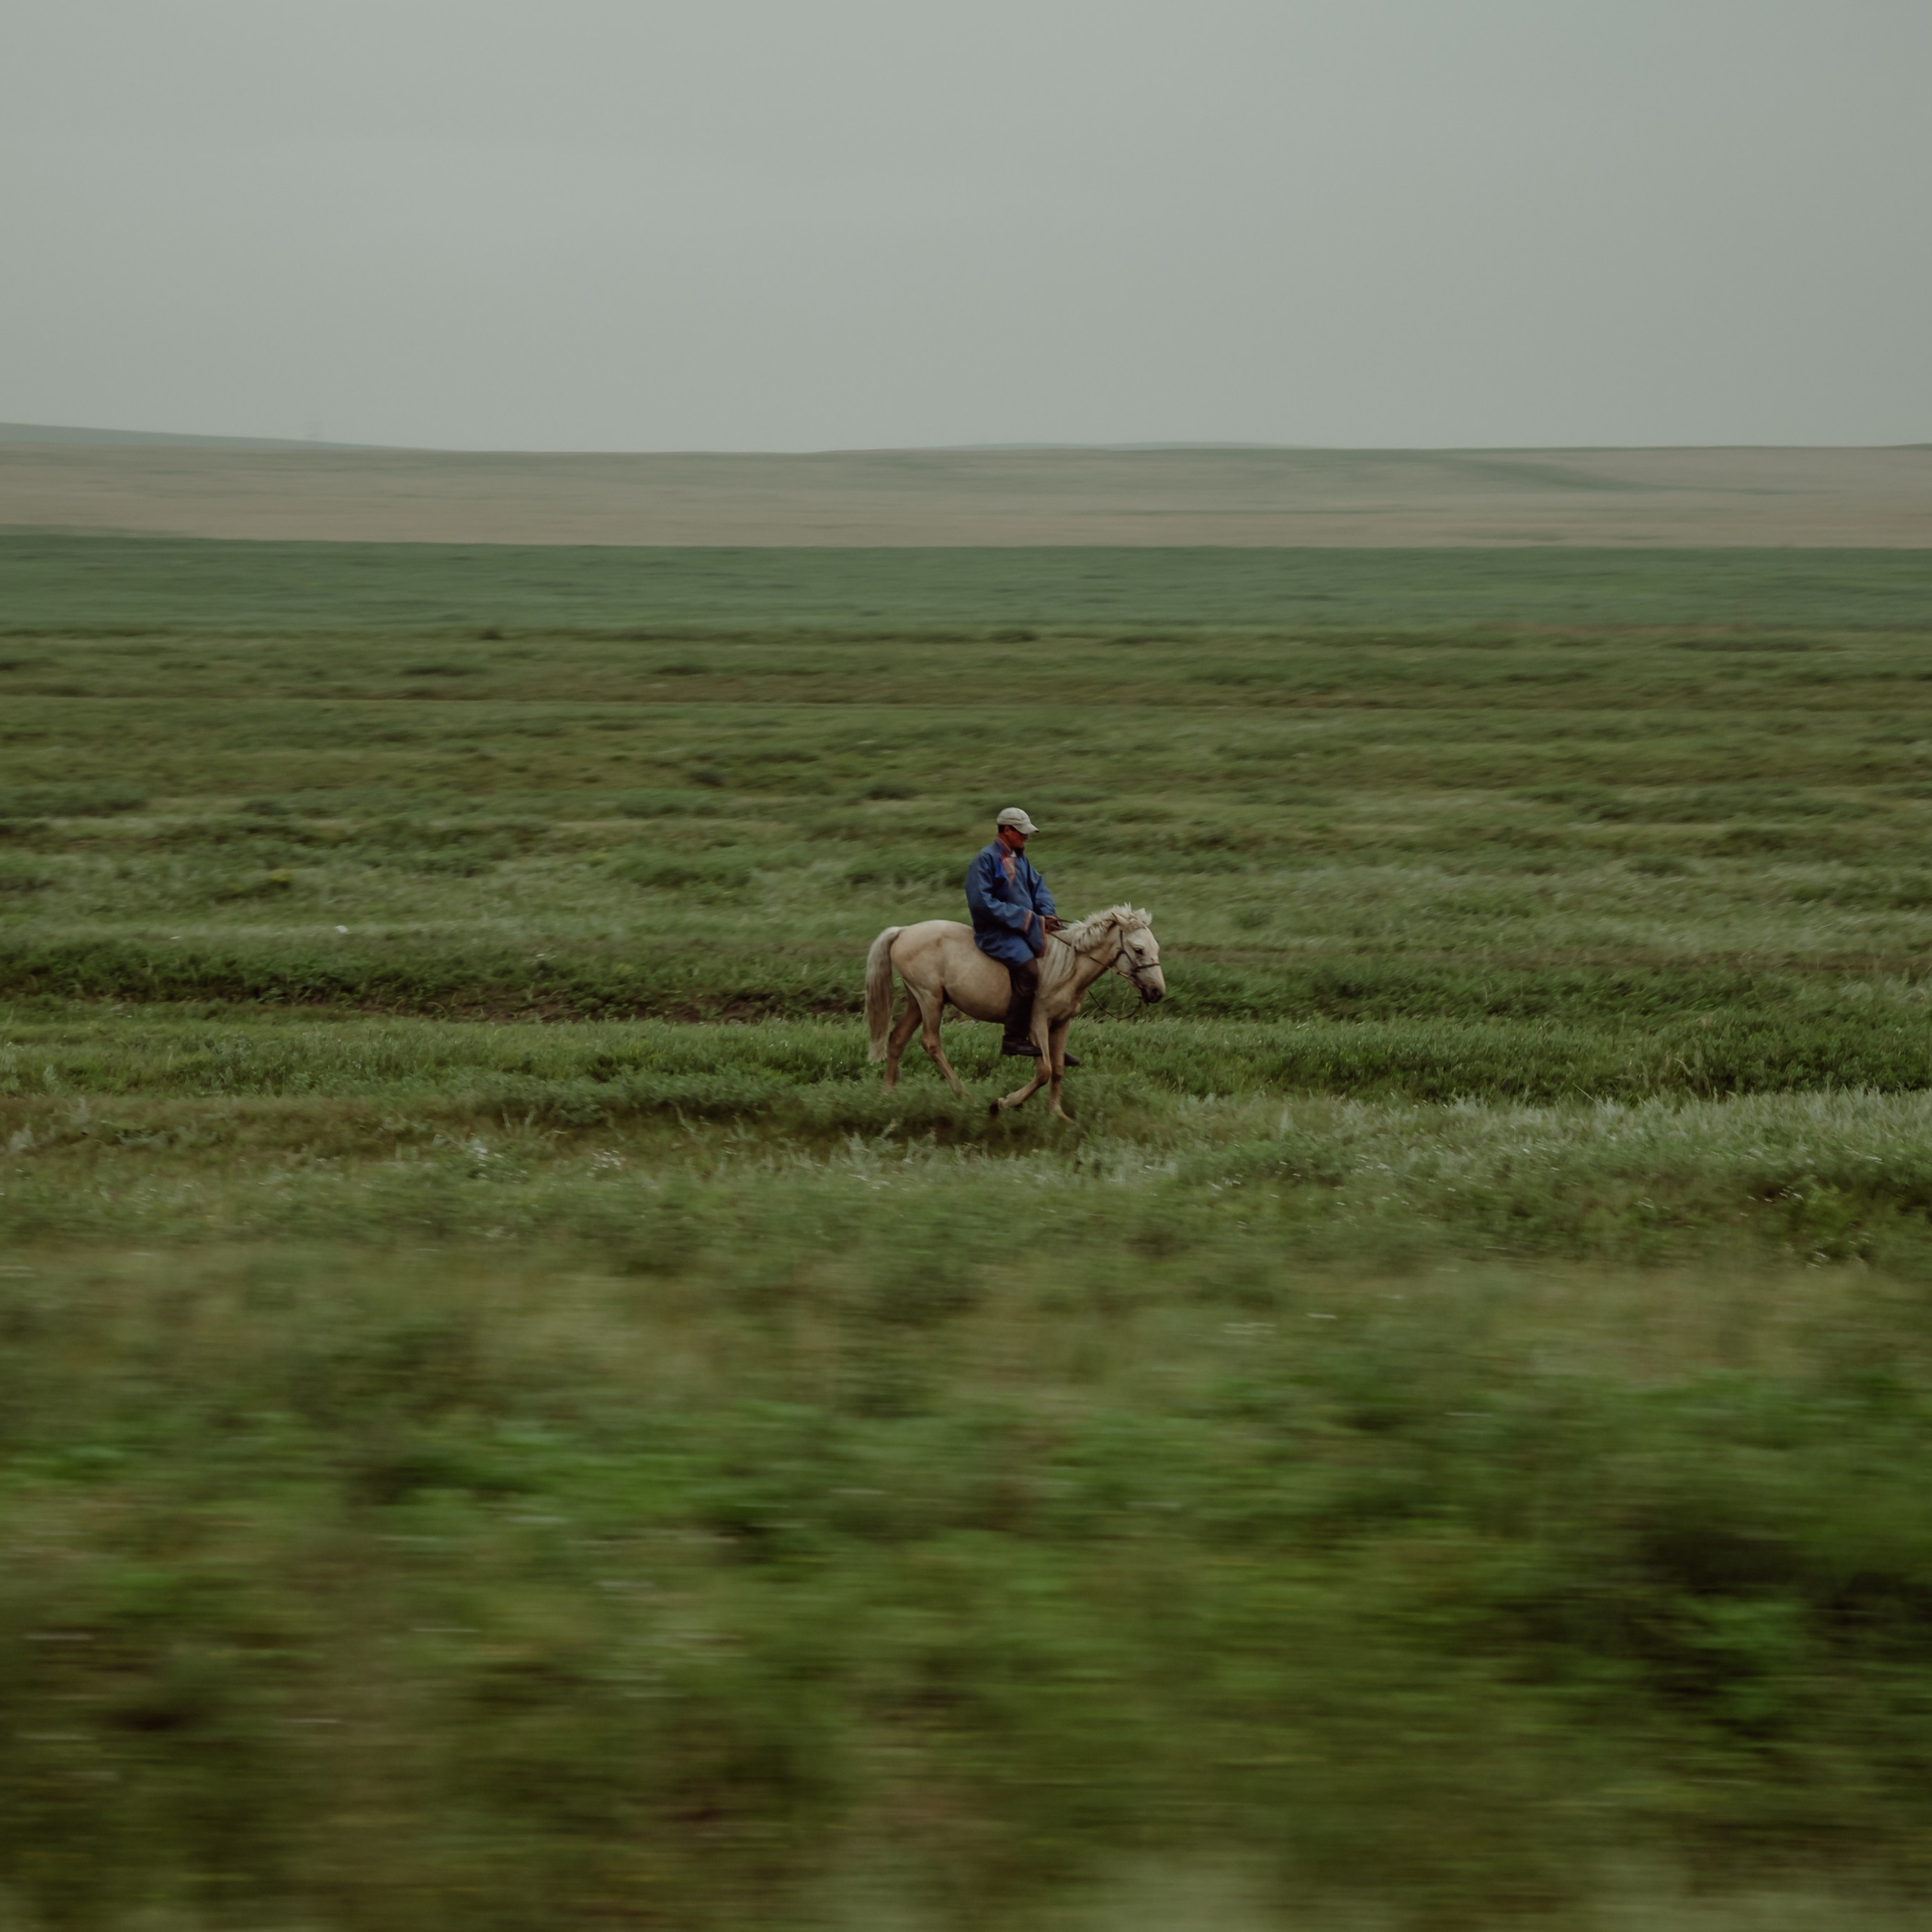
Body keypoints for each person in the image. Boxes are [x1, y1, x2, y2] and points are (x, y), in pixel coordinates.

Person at [964, 807, 1078, 1063]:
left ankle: (1045, 1040)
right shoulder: (985, 859)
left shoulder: (1020, 858)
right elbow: (982, 903)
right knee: (1029, 973)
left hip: (1023, 929)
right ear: (1007, 830)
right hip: (996, 932)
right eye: (1022, 833)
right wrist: (1027, 918)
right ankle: (1013, 1039)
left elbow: (1039, 888)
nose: (1026, 837)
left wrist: (1047, 914)